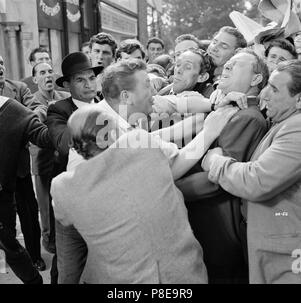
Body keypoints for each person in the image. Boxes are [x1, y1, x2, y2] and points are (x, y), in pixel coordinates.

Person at [51, 60, 239, 283]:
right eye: (146, 85)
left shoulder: (122, 117)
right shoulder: (109, 131)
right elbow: (170, 163)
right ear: (126, 97)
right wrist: (209, 134)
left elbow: (172, 105)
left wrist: (212, 108)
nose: (153, 92)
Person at [202, 59, 301, 284]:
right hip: (272, 244)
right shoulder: (284, 120)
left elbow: (256, 181)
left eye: (275, 89)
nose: (265, 95)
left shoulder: (297, 128)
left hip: (287, 256)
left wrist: (215, 160)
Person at [177, 49, 269, 284]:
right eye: (226, 64)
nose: (226, 67)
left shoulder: (247, 116)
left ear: (256, 79)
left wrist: (173, 191)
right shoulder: (229, 109)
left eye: (235, 65)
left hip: (216, 222)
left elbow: (216, 179)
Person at [46, 52, 104, 284]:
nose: (89, 84)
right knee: (67, 271)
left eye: (91, 77)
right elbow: (62, 144)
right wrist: (91, 114)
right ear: (68, 85)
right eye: (80, 80)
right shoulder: (58, 109)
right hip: (70, 203)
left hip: (103, 200)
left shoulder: (107, 105)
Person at [0, 54, 48, 271]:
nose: (0, 67)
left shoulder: (18, 88)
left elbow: (37, 108)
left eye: (1, 62)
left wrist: (21, 122)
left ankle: (34, 257)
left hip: (18, 166)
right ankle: (13, 259)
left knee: (28, 213)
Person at [29, 62, 69, 254]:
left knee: (62, 201)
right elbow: (35, 118)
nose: (48, 76)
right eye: (42, 73)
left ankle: (62, 239)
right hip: (43, 159)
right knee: (45, 204)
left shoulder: (64, 97)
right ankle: (48, 240)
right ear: (35, 79)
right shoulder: (32, 101)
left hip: (64, 158)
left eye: (50, 71)